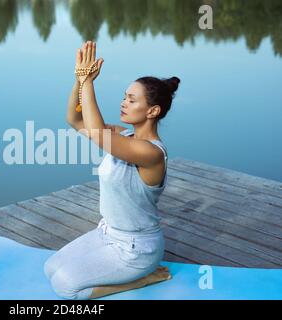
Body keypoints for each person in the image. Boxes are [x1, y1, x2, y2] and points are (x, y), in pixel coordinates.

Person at [43, 41, 180, 300]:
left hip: (136, 249)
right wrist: (78, 80)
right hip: (106, 233)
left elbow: (96, 134)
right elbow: (75, 120)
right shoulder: (123, 134)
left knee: (66, 287)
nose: (123, 103)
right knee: (51, 268)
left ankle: (144, 278)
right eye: (124, 97)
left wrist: (89, 83)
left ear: (153, 111)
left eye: (132, 99)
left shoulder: (151, 153)